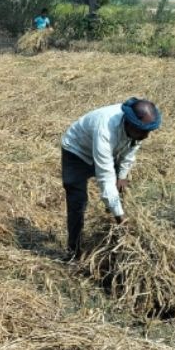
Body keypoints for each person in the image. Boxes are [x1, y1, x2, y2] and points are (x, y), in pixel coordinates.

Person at [61, 98, 162, 259]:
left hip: (110, 150)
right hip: (77, 151)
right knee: (77, 202)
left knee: (118, 193)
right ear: (129, 124)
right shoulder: (106, 131)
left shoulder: (138, 129)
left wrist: (122, 176)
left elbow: (131, 148)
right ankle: (74, 251)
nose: (146, 136)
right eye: (143, 131)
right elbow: (105, 179)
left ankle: (110, 240)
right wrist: (121, 219)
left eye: (148, 131)